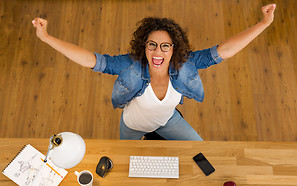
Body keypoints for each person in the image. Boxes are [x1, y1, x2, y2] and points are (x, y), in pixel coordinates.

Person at [32, 4, 276, 140]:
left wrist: (264, 23)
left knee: (202, 151)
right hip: (132, 126)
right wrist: (46, 38)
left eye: (165, 46)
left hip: (168, 122)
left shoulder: (187, 63)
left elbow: (225, 51)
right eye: (152, 45)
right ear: (144, 47)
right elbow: (92, 60)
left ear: (174, 49)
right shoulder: (130, 65)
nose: (158, 52)